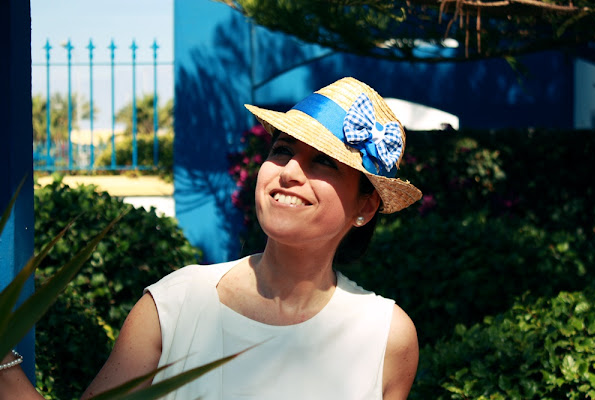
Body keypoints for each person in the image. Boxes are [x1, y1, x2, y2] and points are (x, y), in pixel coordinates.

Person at [1, 77, 422, 399]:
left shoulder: (387, 337)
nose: (290, 172)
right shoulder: (175, 303)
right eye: (282, 150)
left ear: (366, 206)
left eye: (324, 162)